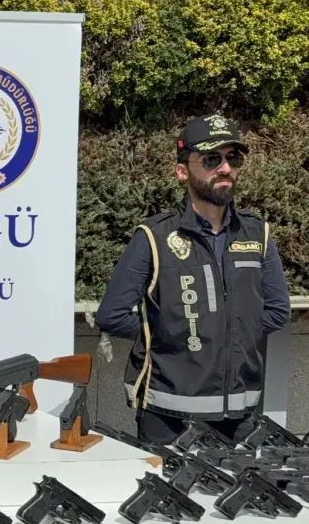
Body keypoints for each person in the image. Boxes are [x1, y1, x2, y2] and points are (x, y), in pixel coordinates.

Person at [95, 114, 291, 445]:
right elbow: (111, 315)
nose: (225, 168)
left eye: (233, 158)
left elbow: (277, 311)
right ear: (182, 171)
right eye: (212, 159)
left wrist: (230, 335)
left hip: (240, 417)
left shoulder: (257, 233)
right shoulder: (154, 236)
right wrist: (173, 336)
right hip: (168, 418)